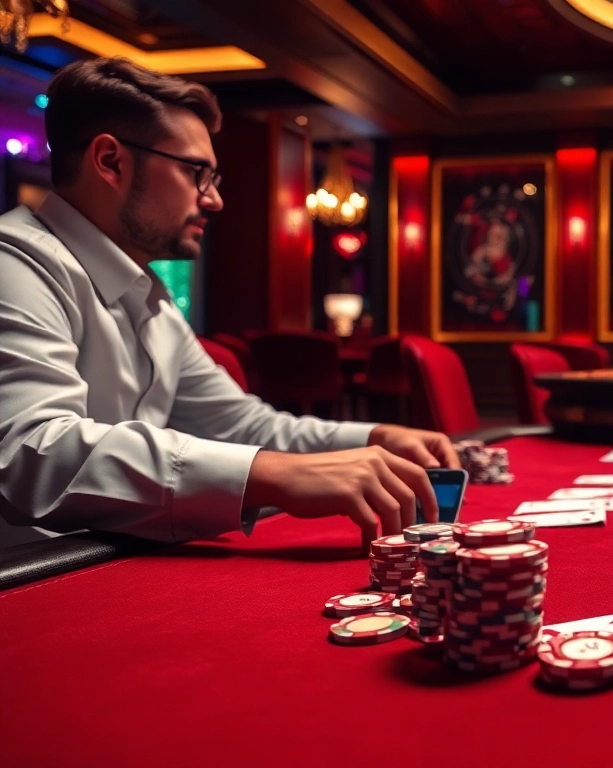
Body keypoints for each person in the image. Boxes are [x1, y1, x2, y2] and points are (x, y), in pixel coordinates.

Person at [0, 57, 458, 550]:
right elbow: (31, 453)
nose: (214, 200)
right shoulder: (13, 263)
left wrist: (373, 439)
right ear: (110, 161)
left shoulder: (147, 295)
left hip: (103, 565)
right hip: (27, 586)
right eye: (197, 172)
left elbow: (243, 425)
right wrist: (272, 473)